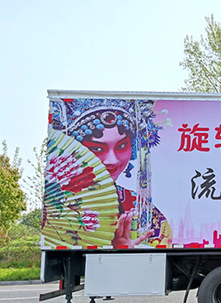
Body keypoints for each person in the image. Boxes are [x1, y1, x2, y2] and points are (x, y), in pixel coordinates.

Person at [49, 98, 170, 248]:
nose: (113, 160)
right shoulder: (55, 204)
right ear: (75, 151)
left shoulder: (140, 208)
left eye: (122, 146)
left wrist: (128, 250)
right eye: (97, 148)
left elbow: (163, 249)